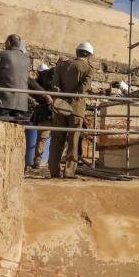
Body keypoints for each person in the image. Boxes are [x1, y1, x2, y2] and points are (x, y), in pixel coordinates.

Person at [47, 42, 94, 179]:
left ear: (77, 52)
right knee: (73, 140)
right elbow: (82, 89)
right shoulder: (88, 69)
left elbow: (55, 85)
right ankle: (69, 172)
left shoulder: (62, 65)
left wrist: (61, 100)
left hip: (59, 107)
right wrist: (70, 102)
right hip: (76, 109)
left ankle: (54, 171)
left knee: (56, 139)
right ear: (89, 55)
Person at [0, 34, 31, 119]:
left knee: (0, 128)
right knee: (15, 130)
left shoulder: (2, 55)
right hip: (21, 104)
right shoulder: (27, 59)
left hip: (3, 101)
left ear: (8, 43)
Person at [28, 63, 55, 169]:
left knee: (42, 138)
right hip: (51, 111)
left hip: (45, 111)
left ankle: (38, 161)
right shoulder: (58, 75)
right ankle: (41, 161)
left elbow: (34, 92)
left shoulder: (42, 77)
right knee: (47, 137)